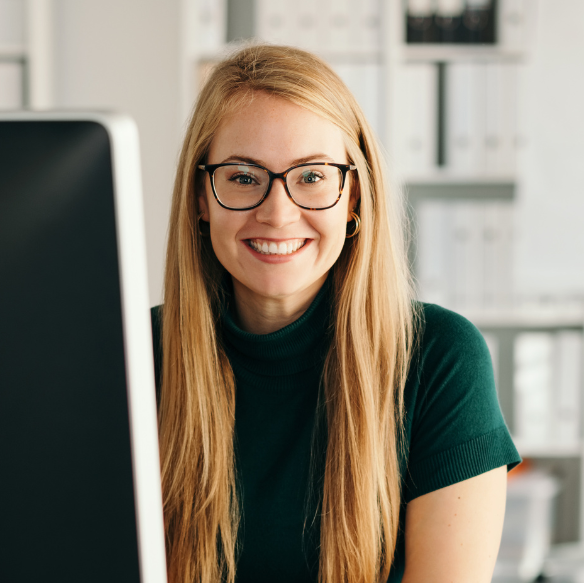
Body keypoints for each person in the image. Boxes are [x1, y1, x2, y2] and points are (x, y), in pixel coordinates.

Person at [151, 43, 521, 583]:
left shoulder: (439, 358)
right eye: (243, 177)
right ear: (201, 199)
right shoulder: (131, 357)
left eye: (312, 176)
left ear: (353, 197)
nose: (277, 214)